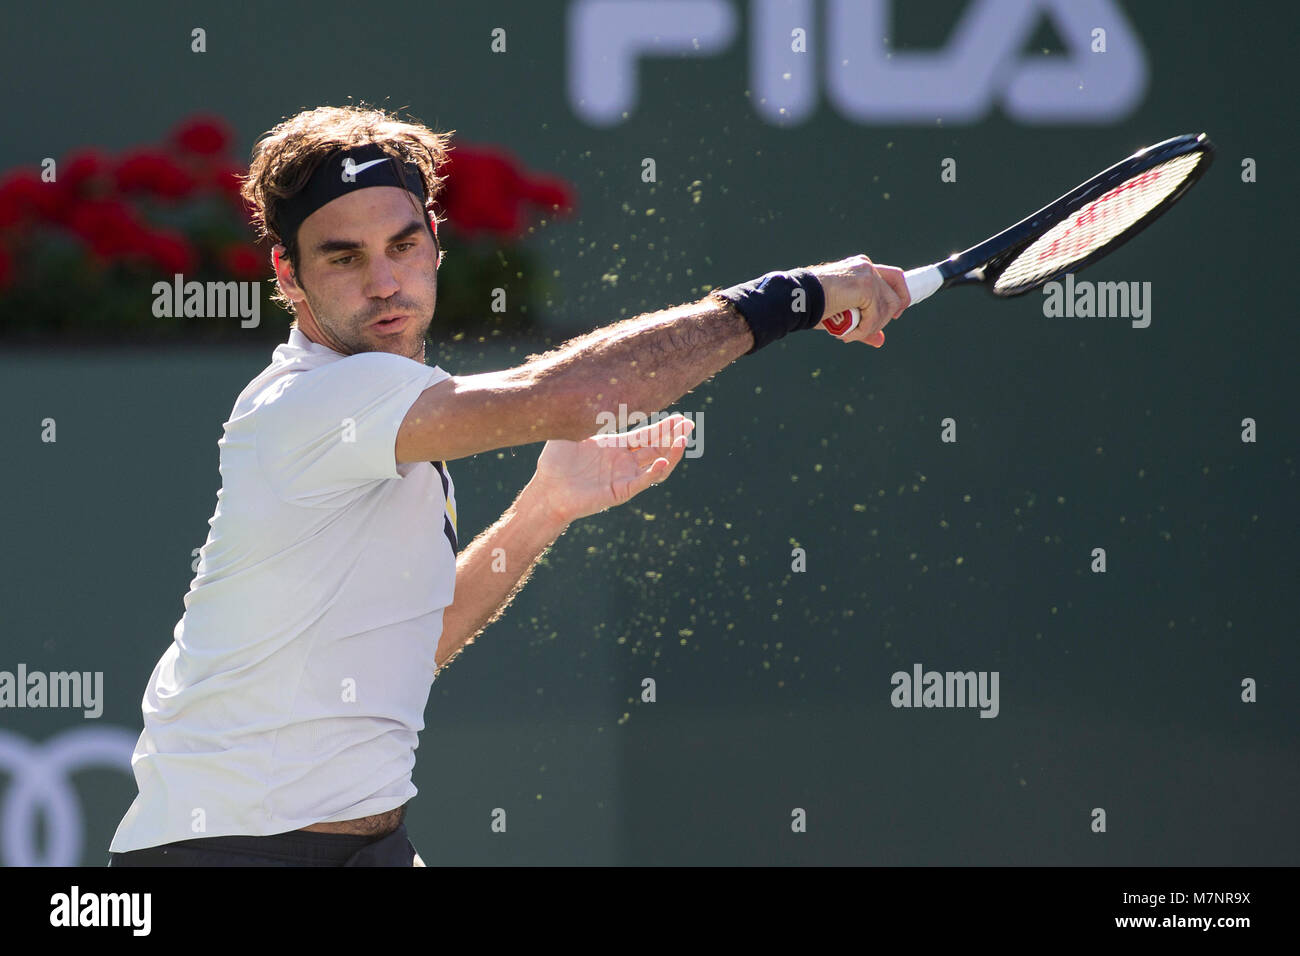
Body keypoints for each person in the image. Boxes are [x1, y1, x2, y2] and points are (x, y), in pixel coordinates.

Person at [107, 104, 909, 866]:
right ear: (288, 274)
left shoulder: (387, 407)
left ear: (434, 244)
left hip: (366, 843)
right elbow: (570, 400)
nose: (384, 282)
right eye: (343, 257)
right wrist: (789, 298)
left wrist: (543, 508)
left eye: (402, 245)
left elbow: (408, 646)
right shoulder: (316, 401)